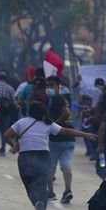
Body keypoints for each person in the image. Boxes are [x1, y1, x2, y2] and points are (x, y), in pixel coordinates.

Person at [3, 102, 96, 210]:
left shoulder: (21, 122)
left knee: (29, 184)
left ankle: (37, 202)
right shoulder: (48, 124)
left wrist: (15, 145)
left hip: (26, 156)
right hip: (44, 156)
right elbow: (67, 131)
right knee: (42, 184)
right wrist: (86, 135)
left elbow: (6, 135)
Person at [45, 75, 76, 203]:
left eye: (51, 85)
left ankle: (50, 193)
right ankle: (67, 190)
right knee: (66, 164)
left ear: (58, 86)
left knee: (50, 166)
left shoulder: (57, 98)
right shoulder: (63, 98)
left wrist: (54, 127)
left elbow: (66, 113)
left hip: (57, 138)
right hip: (70, 137)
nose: (49, 88)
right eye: (47, 85)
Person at [0, 71, 18, 156]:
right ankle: (2, 150)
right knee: (4, 131)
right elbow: (13, 102)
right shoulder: (10, 88)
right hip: (5, 113)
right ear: (6, 79)